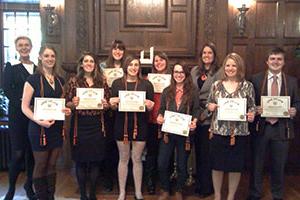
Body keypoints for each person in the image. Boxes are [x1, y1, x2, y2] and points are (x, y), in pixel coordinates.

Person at [247, 47, 300, 200]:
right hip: (261, 127)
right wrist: (254, 109)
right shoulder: (255, 79)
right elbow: (249, 103)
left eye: (279, 59)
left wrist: (295, 110)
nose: (275, 62)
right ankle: (254, 193)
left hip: (282, 128)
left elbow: (297, 102)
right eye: (272, 59)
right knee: (257, 164)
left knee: (279, 164)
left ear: (283, 62)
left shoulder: (292, 81)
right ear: (267, 61)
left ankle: (277, 194)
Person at [21, 45, 71, 200]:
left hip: (56, 128)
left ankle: (51, 197)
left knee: (52, 165)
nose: (50, 59)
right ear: (40, 57)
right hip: (39, 128)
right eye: (47, 56)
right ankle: (41, 197)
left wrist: (66, 109)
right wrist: (38, 120)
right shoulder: (32, 79)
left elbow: (61, 104)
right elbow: (24, 106)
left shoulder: (60, 80)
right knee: (41, 164)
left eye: (52, 56)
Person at [207, 53, 255, 200]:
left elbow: (252, 107)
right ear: (224, 67)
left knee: (235, 167)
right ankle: (217, 195)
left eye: (234, 65)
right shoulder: (216, 85)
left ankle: (230, 196)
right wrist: (211, 106)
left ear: (239, 67)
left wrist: (251, 115)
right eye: (227, 65)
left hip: (239, 133)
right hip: (218, 131)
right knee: (217, 166)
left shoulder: (247, 86)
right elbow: (208, 104)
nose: (230, 68)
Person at [65, 52, 110, 200]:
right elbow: (66, 103)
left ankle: (92, 194)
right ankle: (83, 195)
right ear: (82, 64)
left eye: (92, 61)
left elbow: (108, 104)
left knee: (95, 161)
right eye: (86, 61)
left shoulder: (102, 81)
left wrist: (106, 104)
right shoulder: (74, 81)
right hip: (80, 126)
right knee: (81, 161)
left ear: (95, 64)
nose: (89, 63)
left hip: (97, 125)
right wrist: (73, 103)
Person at [109, 55, 154, 200]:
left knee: (137, 158)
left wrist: (150, 106)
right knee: (123, 158)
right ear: (125, 67)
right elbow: (113, 108)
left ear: (139, 67)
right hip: (121, 125)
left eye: (136, 65)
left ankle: (138, 191)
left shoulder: (147, 85)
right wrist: (112, 104)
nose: (133, 67)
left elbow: (150, 108)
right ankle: (122, 192)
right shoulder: (116, 84)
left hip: (140, 126)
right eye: (130, 65)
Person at [157, 62, 200, 200]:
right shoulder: (166, 91)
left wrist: (195, 121)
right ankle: (165, 189)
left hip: (184, 134)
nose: (178, 75)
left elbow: (196, 110)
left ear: (186, 74)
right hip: (168, 134)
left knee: (182, 164)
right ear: (172, 74)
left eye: (181, 72)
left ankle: (179, 190)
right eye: (176, 72)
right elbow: (162, 109)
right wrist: (159, 116)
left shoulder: (193, 91)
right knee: (162, 162)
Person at [3, 36, 36, 200]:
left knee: (31, 154)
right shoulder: (11, 67)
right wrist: (24, 103)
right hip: (17, 117)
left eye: (27, 45)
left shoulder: (37, 68)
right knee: (17, 154)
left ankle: (29, 186)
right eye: (21, 45)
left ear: (31, 47)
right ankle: (10, 189)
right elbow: (7, 90)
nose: (24, 48)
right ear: (16, 48)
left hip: (35, 117)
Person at [190, 42, 221, 198]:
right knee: (197, 153)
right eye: (204, 53)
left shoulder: (220, 72)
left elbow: (219, 97)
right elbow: (190, 91)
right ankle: (199, 183)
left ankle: (207, 186)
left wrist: (206, 112)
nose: (206, 55)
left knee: (207, 154)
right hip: (195, 115)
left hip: (210, 118)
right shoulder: (195, 71)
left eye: (210, 53)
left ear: (214, 55)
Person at [99, 39, 126, 192]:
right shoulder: (103, 66)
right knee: (108, 145)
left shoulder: (128, 66)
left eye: (120, 49)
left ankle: (122, 177)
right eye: (115, 49)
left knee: (122, 145)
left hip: (123, 110)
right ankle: (108, 178)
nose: (117, 51)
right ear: (111, 51)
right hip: (107, 111)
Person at [145, 51, 170, 195]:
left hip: (168, 121)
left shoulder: (172, 79)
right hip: (151, 120)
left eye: (161, 60)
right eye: (156, 61)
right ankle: (150, 182)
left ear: (166, 61)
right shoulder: (148, 80)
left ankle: (165, 182)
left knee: (166, 154)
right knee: (152, 153)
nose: (158, 63)